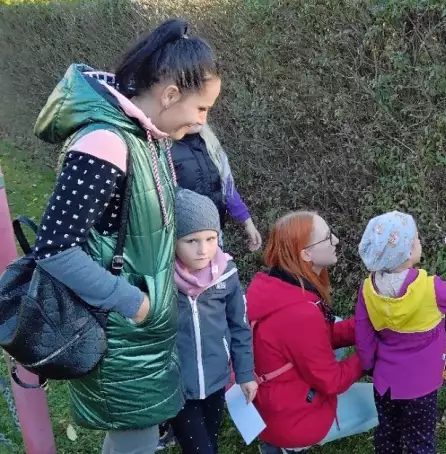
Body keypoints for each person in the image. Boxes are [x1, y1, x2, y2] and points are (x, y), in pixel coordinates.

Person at [31, 18, 222, 454]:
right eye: (202, 109)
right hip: (119, 334)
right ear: (170, 95)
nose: (202, 121)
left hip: (141, 336)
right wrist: (135, 304)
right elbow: (54, 247)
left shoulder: (146, 136)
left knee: (135, 437)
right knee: (134, 439)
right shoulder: (106, 142)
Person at [245, 211, 378, 453]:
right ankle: (288, 446)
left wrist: (369, 326)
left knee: (335, 323)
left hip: (271, 403)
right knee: (379, 401)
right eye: (328, 238)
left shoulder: (273, 284)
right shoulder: (300, 314)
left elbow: (319, 336)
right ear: (305, 254)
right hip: (292, 420)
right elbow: (332, 381)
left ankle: (274, 445)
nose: (336, 240)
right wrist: (368, 354)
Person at [355, 211, 446, 454]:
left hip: (385, 383)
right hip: (420, 388)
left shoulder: (368, 289)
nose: (419, 242)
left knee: (387, 435)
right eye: (416, 239)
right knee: (420, 443)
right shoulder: (429, 289)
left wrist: (371, 366)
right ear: (408, 253)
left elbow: (363, 335)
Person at [169, 188, 257, 454]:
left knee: (210, 441)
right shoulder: (161, 279)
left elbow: (239, 326)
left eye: (211, 238)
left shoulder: (226, 274)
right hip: (177, 386)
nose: (203, 249)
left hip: (217, 379)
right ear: (173, 240)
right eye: (191, 240)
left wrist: (244, 373)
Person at [171, 123, 262, 251]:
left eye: (203, 110)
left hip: (214, 233)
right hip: (183, 239)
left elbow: (228, 189)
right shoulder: (165, 149)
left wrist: (247, 222)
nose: (199, 117)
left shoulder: (211, 145)